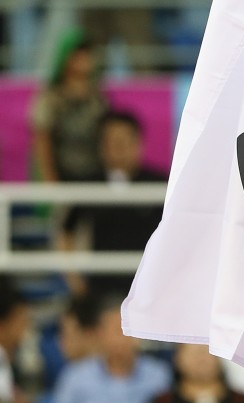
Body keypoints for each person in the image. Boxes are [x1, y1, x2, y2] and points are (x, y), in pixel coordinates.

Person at [59, 110, 165, 297]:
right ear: (101, 146)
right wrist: (75, 281)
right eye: (112, 142)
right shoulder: (89, 185)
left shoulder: (160, 184)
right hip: (101, 289)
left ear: (138, 143)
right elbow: (66, 231)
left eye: (124, 141)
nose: (118, 148)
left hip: (149, 288)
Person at [30, 32, 108, 183]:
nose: (83, 60)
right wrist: (50, 183)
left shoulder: (98, 98)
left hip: (94, 176)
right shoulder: (50, 98)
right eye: (77, 55)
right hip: (60, 176)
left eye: (87, 54)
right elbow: (42, 142)